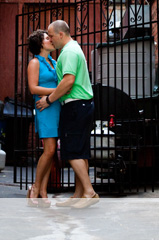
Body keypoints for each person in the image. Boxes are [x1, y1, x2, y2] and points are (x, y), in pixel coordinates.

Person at [35, 20, 99, 208]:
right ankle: (79, 195)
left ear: (61, 34)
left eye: (51, 35)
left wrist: (49, 100)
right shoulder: (73, 49)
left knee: (73, 152)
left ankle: (89, 192)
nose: (50, 39)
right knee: (81, 151)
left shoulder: (69, 52)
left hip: (76, 106)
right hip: (82, 106)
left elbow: (68, 81)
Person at [26, 29, 60, 207]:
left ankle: (43, 190)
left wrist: (57, 94)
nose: (51, 40)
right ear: (39, 44)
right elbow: (33, 89)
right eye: (47, 38)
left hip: (55, 106)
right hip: (44, 107)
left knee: (52, 151)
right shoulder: (34, 63)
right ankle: (35, 187)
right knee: (49, 150)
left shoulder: (53, 62)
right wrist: (58, 91)